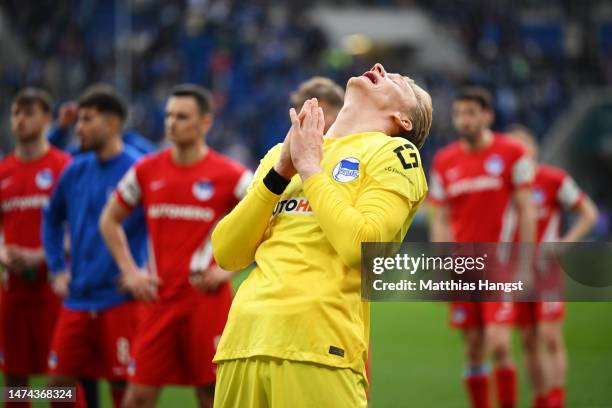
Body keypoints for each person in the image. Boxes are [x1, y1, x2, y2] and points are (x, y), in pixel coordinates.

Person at [210, 63, 432, 407]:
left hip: (317, 346)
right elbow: (227, 253)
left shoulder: (395, 154)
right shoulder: (281, 155)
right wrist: (280, 172)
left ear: (403, 120)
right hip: (243, 340)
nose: (379, 67)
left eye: (398, 80)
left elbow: (364, 248)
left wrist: (311, 168)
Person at [99, 84, 252, 408]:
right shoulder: (146, 170)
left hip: (206, 303)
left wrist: (228, 273)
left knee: (212, 396)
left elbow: (268, 224)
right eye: (169, 115)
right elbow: (108, 220)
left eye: (182, 117)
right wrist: (132, 272)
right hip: (158, 301)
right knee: (137, 397)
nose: (172, 123)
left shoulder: (232, 175)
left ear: (205, 123)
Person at [429, 87, 536, 408]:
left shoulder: (512, 154)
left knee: (500, 344)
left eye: (471, 113)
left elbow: (526, 209)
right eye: (459, 114)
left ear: (487, 116)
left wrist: (526, 262)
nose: (464, 120)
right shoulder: (444, 161)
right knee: (474, 347)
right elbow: (441, 219)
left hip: (500, 266)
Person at [42, 85, 147, 408]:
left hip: (119, 298)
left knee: (123, 389)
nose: (79, 127)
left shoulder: (138, 169)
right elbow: (51, 218)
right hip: (78, 296)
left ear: (111, 124)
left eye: (87, 119)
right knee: (55, 387)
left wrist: (141, 270)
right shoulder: (74, 169)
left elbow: (161, 222)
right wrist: (58, 269)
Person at [507, 125, 598, 408]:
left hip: (545, 270)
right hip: (515, 270)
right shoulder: (504, 186)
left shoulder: (553, 179)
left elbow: (588, 214)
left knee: (549, 335)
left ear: (533, 150)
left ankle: (556, 399)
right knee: (529, 339)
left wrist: (564, 243)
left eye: (521, 148)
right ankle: (541, 399)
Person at [0, 88, 70, 395]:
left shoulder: (65, 167)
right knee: (14, 383)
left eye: (29, 113)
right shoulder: (3, 171)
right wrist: (3, 254)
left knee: (61, 382)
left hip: (56, 290)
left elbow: (79, 229)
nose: (20, 120)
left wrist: (42, 256)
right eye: (16, 112)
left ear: (47, 119)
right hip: (13, 293)